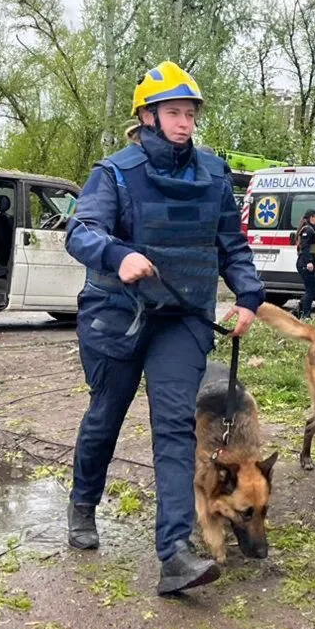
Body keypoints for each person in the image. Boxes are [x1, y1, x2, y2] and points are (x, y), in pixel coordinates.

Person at [64, 60, 266, 595]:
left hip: (182, 318)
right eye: (174, 112)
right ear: (148, 116)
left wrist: (247, 295)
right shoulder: (115, 173)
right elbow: (81, 229)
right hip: (119, 317)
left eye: (190, 113)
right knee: (105, 415)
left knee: (176, 428)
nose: (184, 122)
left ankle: (174, 554)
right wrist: (116, 252)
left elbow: (232, 244)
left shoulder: (214, 174)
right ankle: (83, 504)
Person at [295, 208, 315, 319]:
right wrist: (309, 263)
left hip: (309, 264)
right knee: (310, 290)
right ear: (311, 217)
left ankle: (300, 307)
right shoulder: (308, 230)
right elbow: (305, 248)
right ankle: (306, 315)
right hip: (305, 264)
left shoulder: (311, 229)